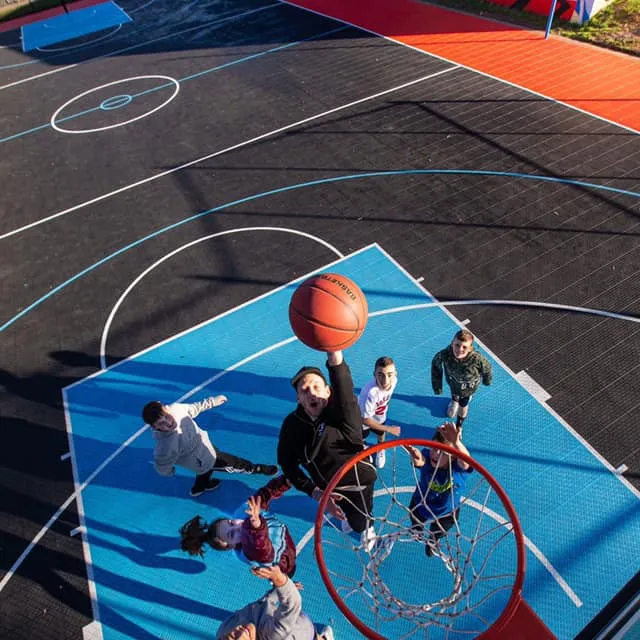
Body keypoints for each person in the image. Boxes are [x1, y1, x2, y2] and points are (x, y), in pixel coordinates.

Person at [277, 350, 377, 550]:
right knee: (343, 511)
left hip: (358, 482)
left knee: (359, 520)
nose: (311, 392)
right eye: (304, 390)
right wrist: (316, 493)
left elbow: (345, 391)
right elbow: (287, 463)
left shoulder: (342, 414)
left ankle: (367, 527)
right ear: (298, 398)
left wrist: (335, 358)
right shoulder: (292, 425)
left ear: (328, 392)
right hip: (329, 489)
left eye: (316, 387)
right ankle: (351, 516)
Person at [142, 396, 278, 497]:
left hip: (204, 447)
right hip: (206, 458)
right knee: (233, 463)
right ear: (154, 427)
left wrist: (213, 401)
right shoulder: (164, 446)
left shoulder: (177, 409)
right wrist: (168, 471)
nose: (168, 422)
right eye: (161, 424)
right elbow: (162, 464)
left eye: (166, 416)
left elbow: (195, 407)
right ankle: (255, 468)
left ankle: (199, 488)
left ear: (165, 407)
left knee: (204, 471)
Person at [179, 475, 297, 577]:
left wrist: (284, 482)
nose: (237, 526)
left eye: (231, 523)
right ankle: (287, 581)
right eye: (232, 534)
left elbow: (264, 495)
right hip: (283, 560)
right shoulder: (249, 551)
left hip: (282, 535)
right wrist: (256, 527)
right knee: (285, 571)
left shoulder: (245, 513)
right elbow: (262, 549)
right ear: (232, 545)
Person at [215, 565, 334, 640]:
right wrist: (281, 582)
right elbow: (292, 605)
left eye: (231, 637)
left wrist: (278, 591)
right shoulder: (273, 635)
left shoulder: (224, 629)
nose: (239, 633)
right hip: (302, 631)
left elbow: (260, 605)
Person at [406, 422, 472, 557]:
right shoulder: (427, 456)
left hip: (447, 510)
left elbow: (466, 461)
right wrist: (417, 461)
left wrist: (456, 443)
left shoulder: (458, 469)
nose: (435, 453)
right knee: (415, 519)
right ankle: (417, 529)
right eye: (434, 448)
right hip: (422, 502)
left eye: (441, 451)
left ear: (453, 455)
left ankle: (433, 540)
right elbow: (421, 461)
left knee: (440, 530)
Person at [431, 329, 492, 431]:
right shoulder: (445, 355)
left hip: (468, 387)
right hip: (453, 382)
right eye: (457, 345)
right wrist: (437, 387)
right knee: (454, 392)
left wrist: (487, 381)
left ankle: (459, 427)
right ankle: (454, 401)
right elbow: (436, 365)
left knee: (463, 405)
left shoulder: (477, 359)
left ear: (470, 348)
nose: (460, 349)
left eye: (464, 347)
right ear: (452, 343)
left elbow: (487, 368)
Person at [358, 356, 400, 469]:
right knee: (361, 437)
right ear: (374, 374)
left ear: (395, 374)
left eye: (390, 374)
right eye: (380, 374)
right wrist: (389, 429)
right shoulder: (369, 393)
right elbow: (365, 419)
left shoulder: (394, 381)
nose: (385, 380)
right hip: (362, 419)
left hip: (380, 415)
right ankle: (364, 448)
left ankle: (380, 448)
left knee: (381, 436)